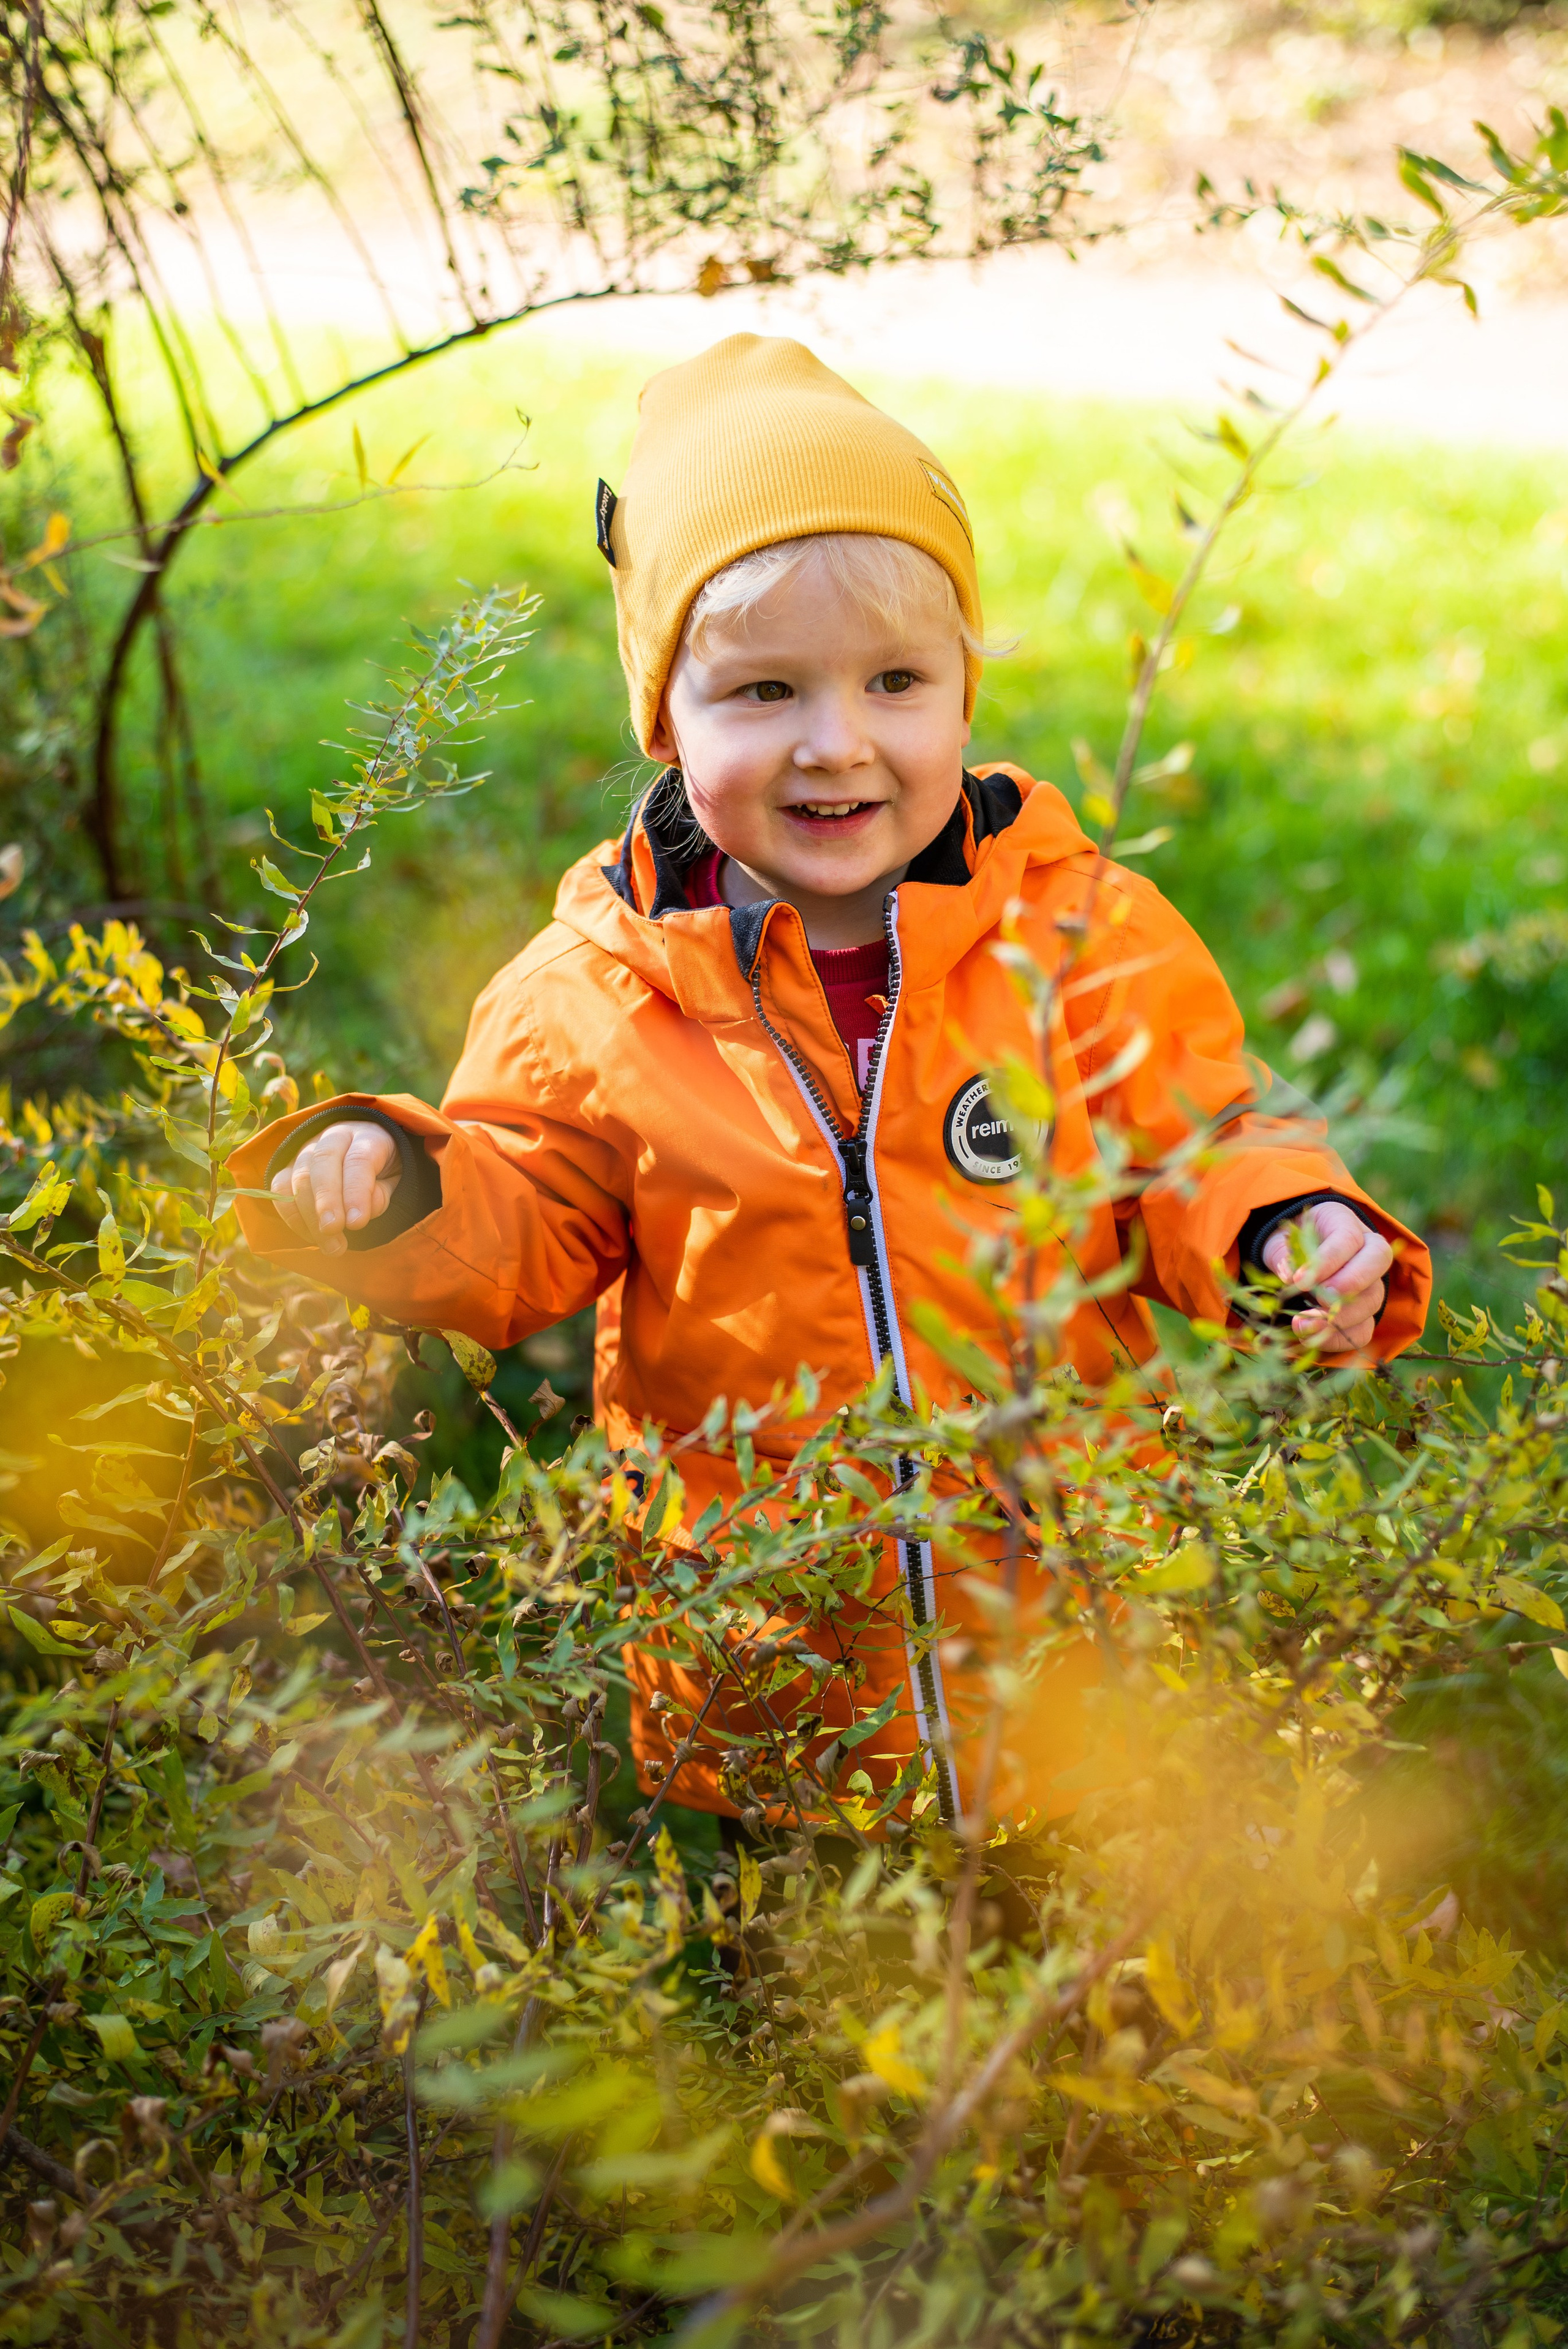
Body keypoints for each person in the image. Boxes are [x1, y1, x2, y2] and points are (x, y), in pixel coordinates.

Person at [232, 335, 1430, 1831]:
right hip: (772, 1683)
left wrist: (1280, 1230)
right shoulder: (596, 990)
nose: (835, 742)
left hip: (1073, 1666)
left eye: (894, 680)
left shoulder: (1075, 934)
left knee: (1094, 1971)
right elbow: (519, 1215)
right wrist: (401, 1185)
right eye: (762, 690)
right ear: (665, 720)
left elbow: (1196, 1142)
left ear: (964, 692)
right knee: (801, 1981)